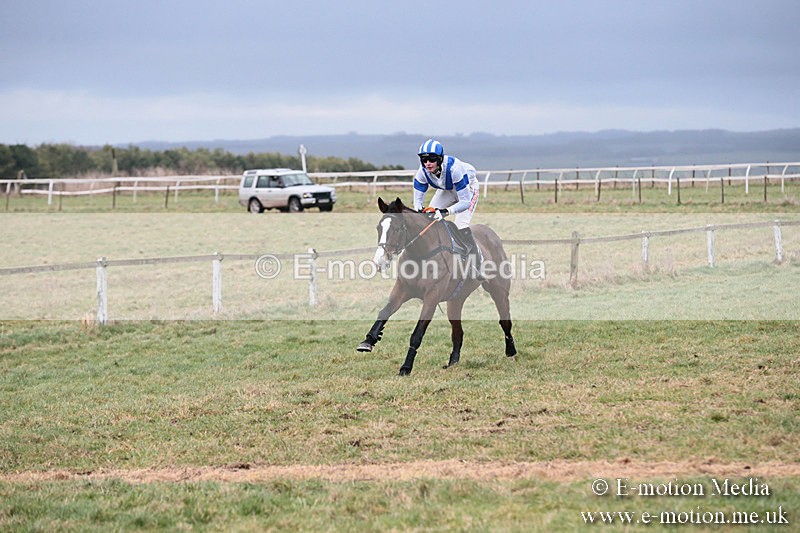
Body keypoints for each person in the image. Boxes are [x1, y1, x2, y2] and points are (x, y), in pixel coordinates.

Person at [412, 139, 483, 277]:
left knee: (460, 224)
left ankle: (477, 262)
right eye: (424, 159)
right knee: (429, 218)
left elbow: (465, 202)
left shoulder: (455, 169)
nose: (428, 163)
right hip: (448, 189)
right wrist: (420, 210)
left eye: (432, 159)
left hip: (468, 190)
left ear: (439, 158)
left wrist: (445, 212)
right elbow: (418, 202)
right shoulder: (422, 172)